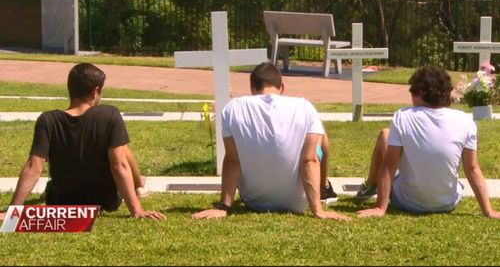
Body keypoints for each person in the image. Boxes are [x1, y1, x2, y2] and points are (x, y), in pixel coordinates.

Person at [0, 63, 164, 221]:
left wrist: (12, 211)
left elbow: (33, 167)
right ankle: (139, 182)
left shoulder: (48, 120)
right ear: (96, 91)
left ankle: (139, 181)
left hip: (61, 202)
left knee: (118, 144)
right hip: (105, 200)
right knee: (119, 146)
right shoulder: (110, 115)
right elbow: (119, 165)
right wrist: (137, 210)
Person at [192, 62, 349, 220]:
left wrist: (224, 206)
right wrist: (318, 210)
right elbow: (310, 160)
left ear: (253, 89)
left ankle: (324, 187)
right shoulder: (305, 107)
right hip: (297, 202)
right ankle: (324, 187)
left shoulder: (232, 109)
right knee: (320, 137)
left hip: (253, 201)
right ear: (282, 88)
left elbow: (233, 160)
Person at [356, 66, 500, 219]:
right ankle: (371, 186)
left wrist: (380, 207)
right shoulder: (465, 120)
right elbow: (472, 168)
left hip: (407, 201)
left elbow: (389, 164)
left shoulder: (403, 116)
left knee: (385, 135)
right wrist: (488, 211)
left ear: (422, 93)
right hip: (447, 203)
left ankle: (370, 186)